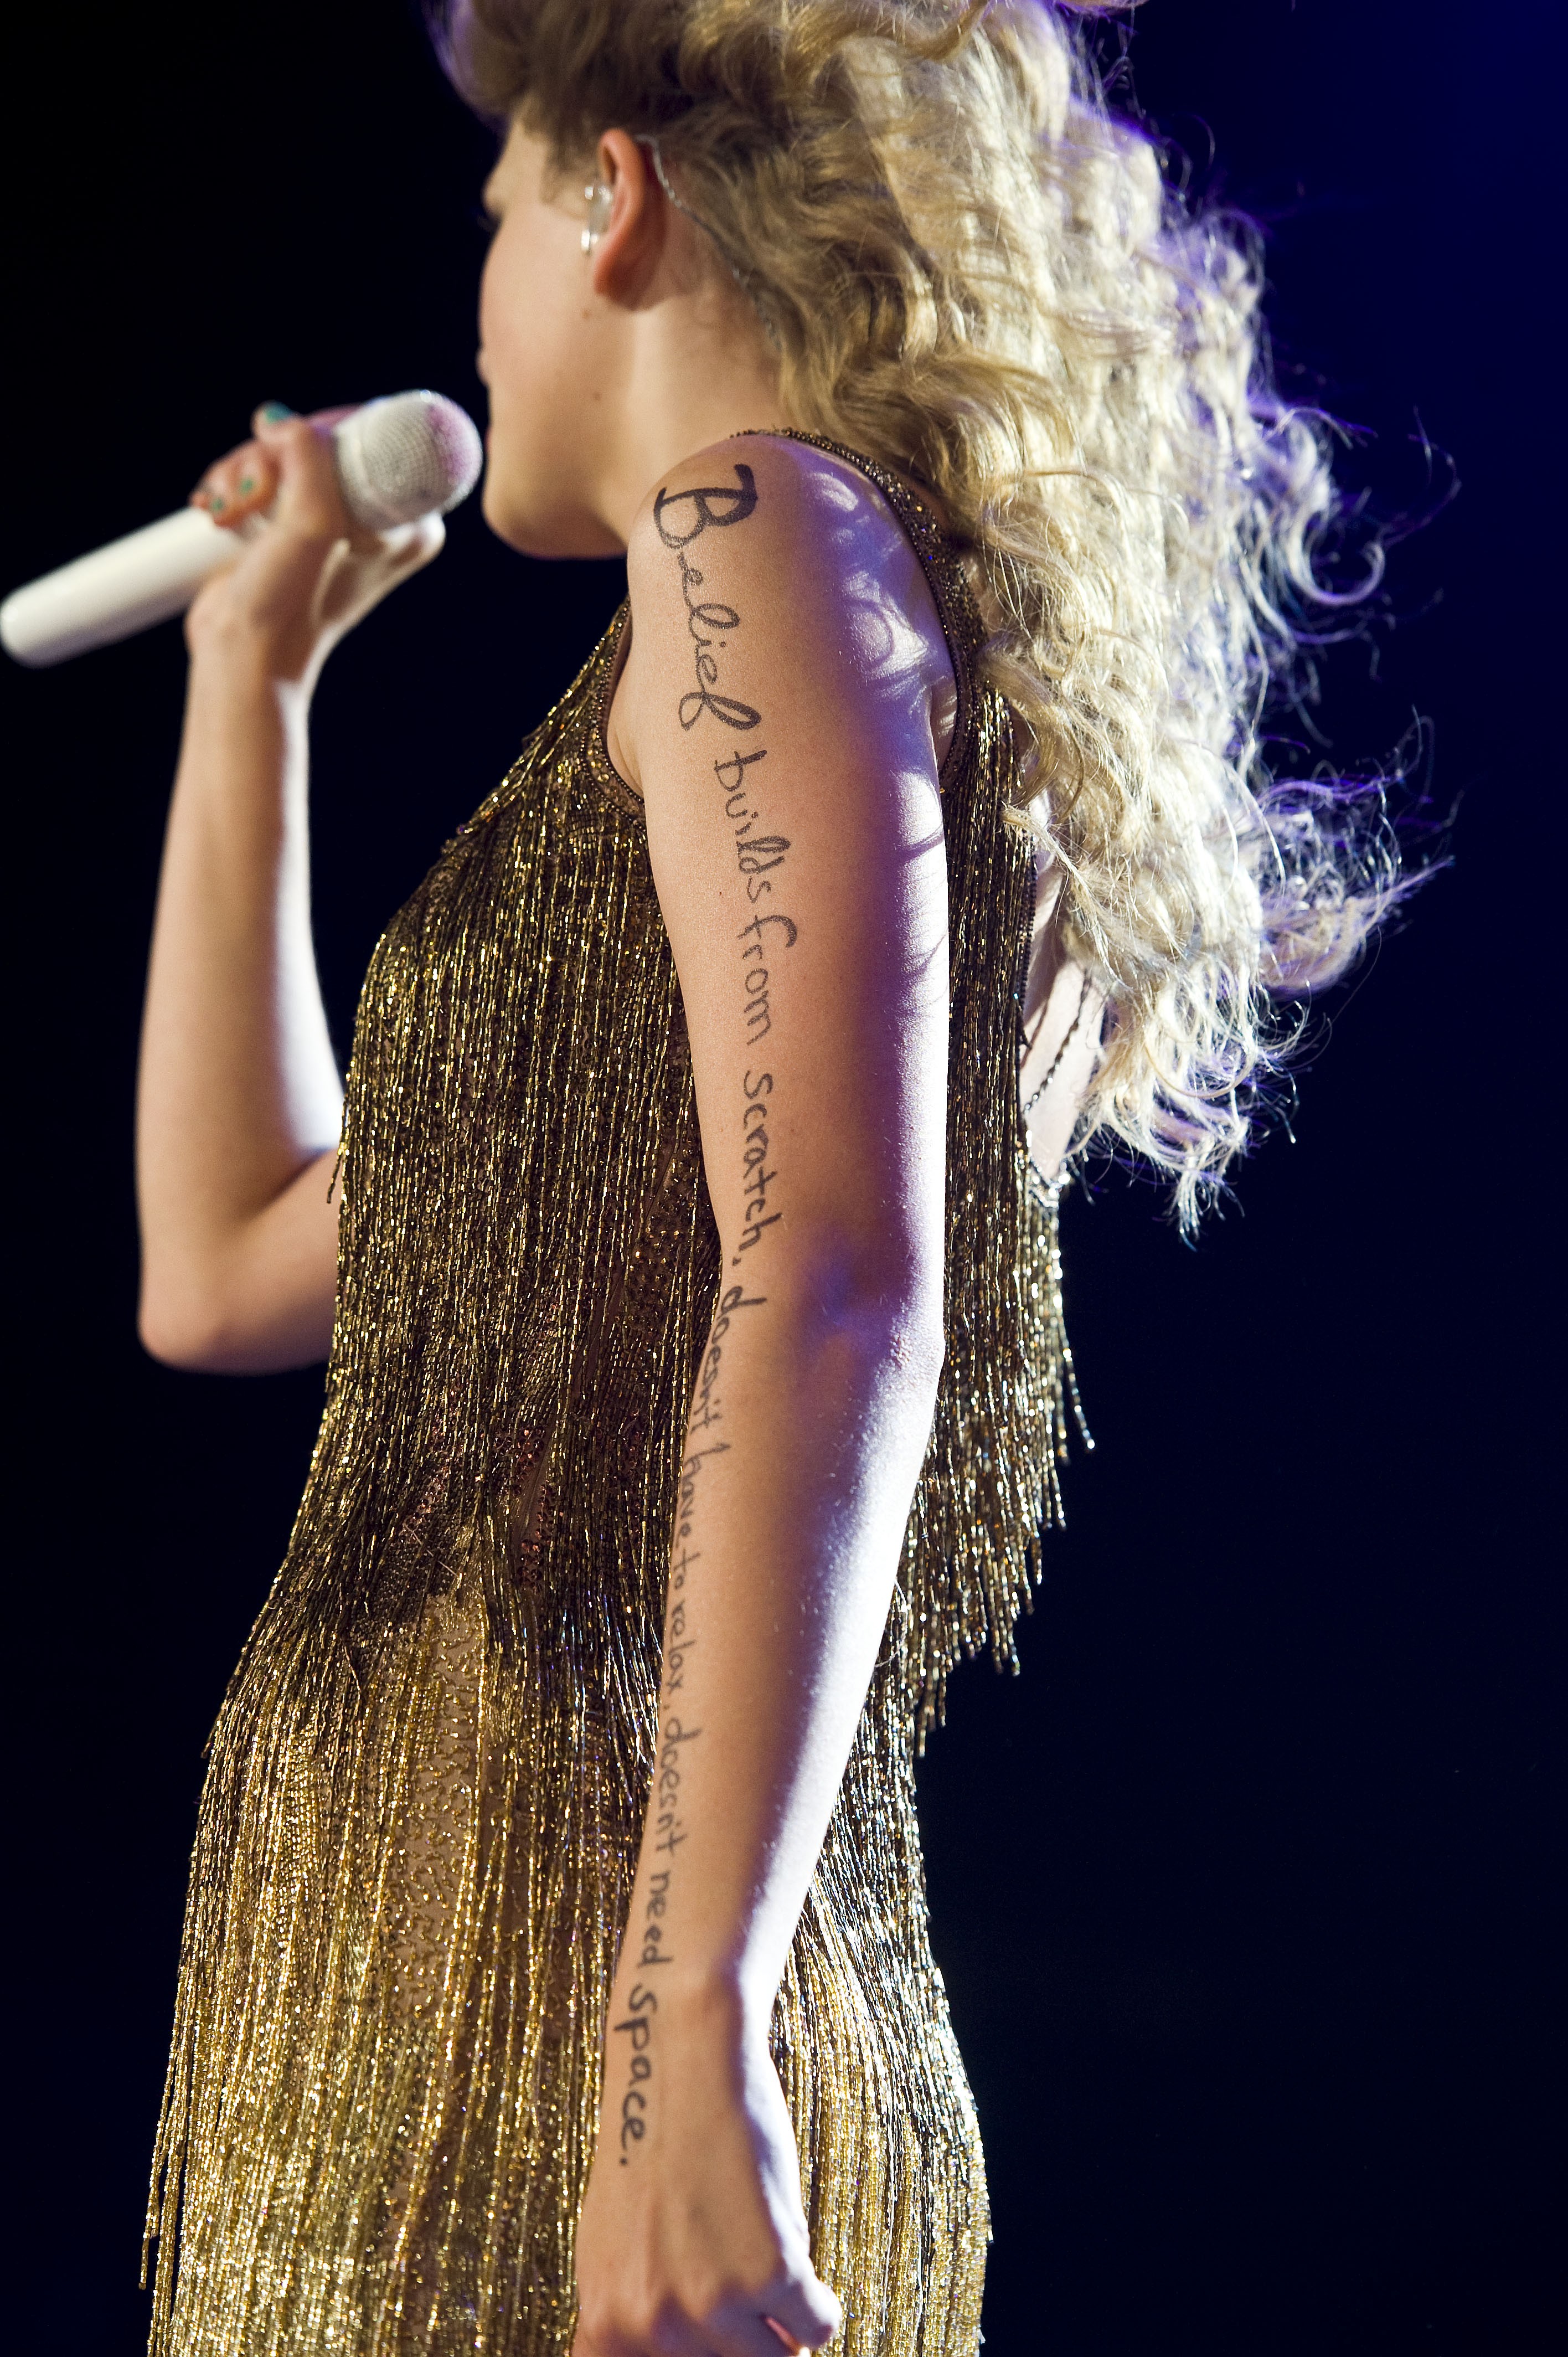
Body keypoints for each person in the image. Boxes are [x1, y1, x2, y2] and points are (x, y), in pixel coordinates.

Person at [135, 6, 1393, 2354]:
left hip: (587, 2026)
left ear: (609, 199)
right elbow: (219, 1267)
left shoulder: (753, 532)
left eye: (490, 213)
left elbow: (831, 1269)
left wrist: (680, 2029)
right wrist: (253, 674)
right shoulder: (766, 609)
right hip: (465, 2038)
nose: (473, 303)